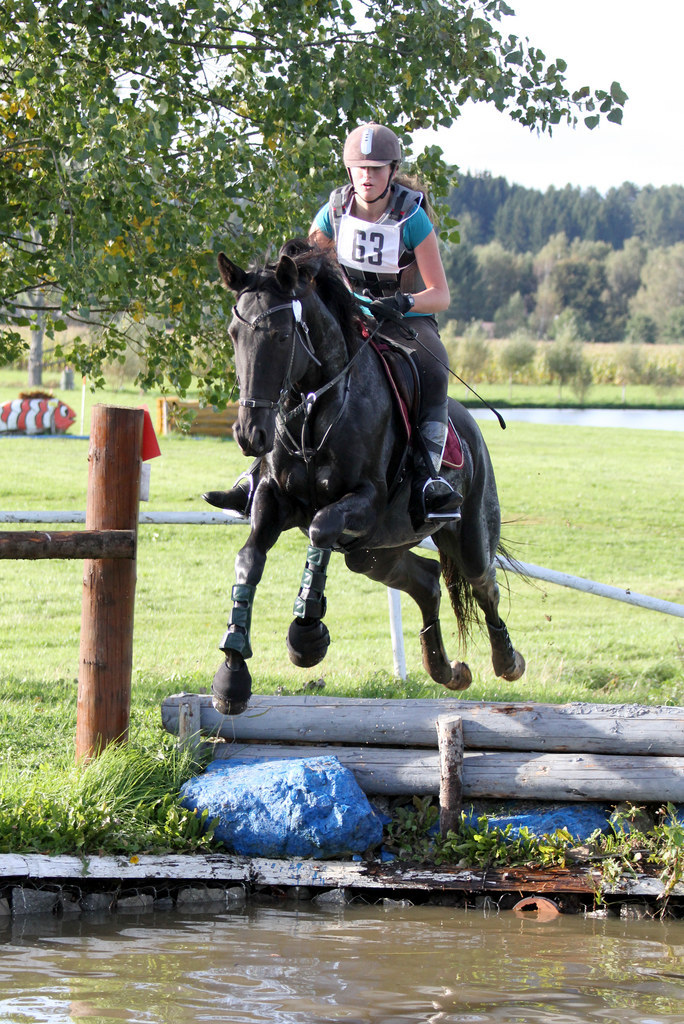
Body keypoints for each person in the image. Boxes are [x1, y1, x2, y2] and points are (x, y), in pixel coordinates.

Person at [204, 122, 461, 522]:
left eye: (376, 169)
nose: (367, 176)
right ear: (349, 171)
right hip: (349, 319)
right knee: (293, 362)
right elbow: (305, 277)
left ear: (392, 170)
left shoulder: (412, 218)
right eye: (360, 168)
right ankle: (258, 475)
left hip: (404, 321)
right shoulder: (333, 213)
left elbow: (440, 295)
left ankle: (429, 479)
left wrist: (403, 301)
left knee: (433, 367)